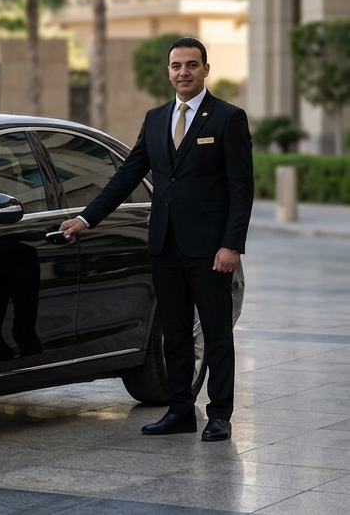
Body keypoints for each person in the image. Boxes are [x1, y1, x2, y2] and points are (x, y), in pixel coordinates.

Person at [59, 36, 253, 442]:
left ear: (205, 70)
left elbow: (241, 187)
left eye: (192, 65)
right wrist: (86, 218)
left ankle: (219, 414)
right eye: (176, 66)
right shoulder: (155, 118)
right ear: (168, 72)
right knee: (174, 332)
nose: (183, 72)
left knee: (216, 334)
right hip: (165, 245)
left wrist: (231, 244)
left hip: (210, 249)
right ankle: (180, 409)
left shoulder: (227, 119)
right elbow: (127, 175)